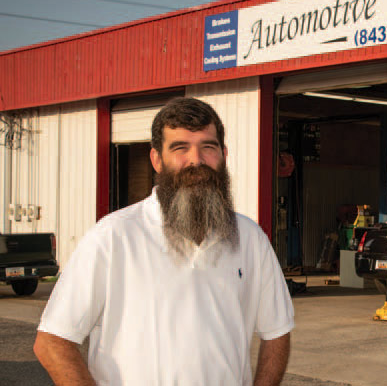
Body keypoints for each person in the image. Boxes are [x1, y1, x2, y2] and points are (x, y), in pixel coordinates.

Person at [34, 97, 294, 385]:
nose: (196, 160)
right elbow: (52, 342)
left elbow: (277, 333)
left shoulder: (250, 238)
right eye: (180, 148)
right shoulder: (113, 237)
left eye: (208, 147)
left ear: (224, 155)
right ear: (156, 160)